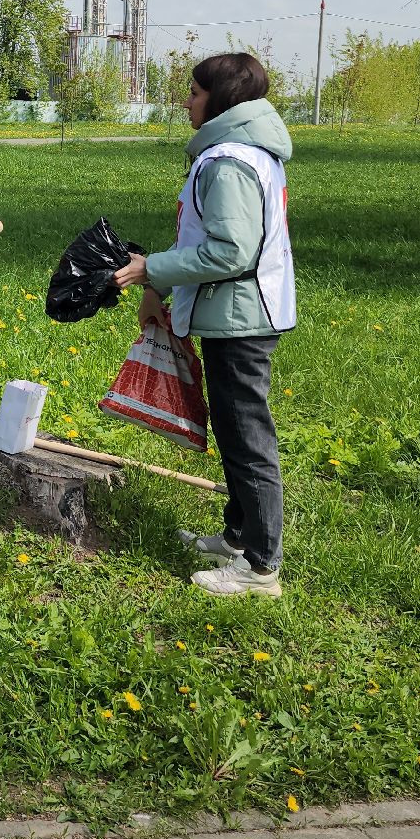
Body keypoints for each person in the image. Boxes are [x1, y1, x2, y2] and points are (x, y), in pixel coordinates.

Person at [113, 52, 296, 598]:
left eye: (193, 92)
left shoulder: (228, 162)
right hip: (237, 311)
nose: (186, 101)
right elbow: (210, 242)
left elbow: (230, 252)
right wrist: (158, 288)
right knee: (236, 429)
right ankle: (239, 538)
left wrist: (154, 268)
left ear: (220, 100)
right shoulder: (246, 153)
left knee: (247, 437)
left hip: (241, 316)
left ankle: (260, 567)